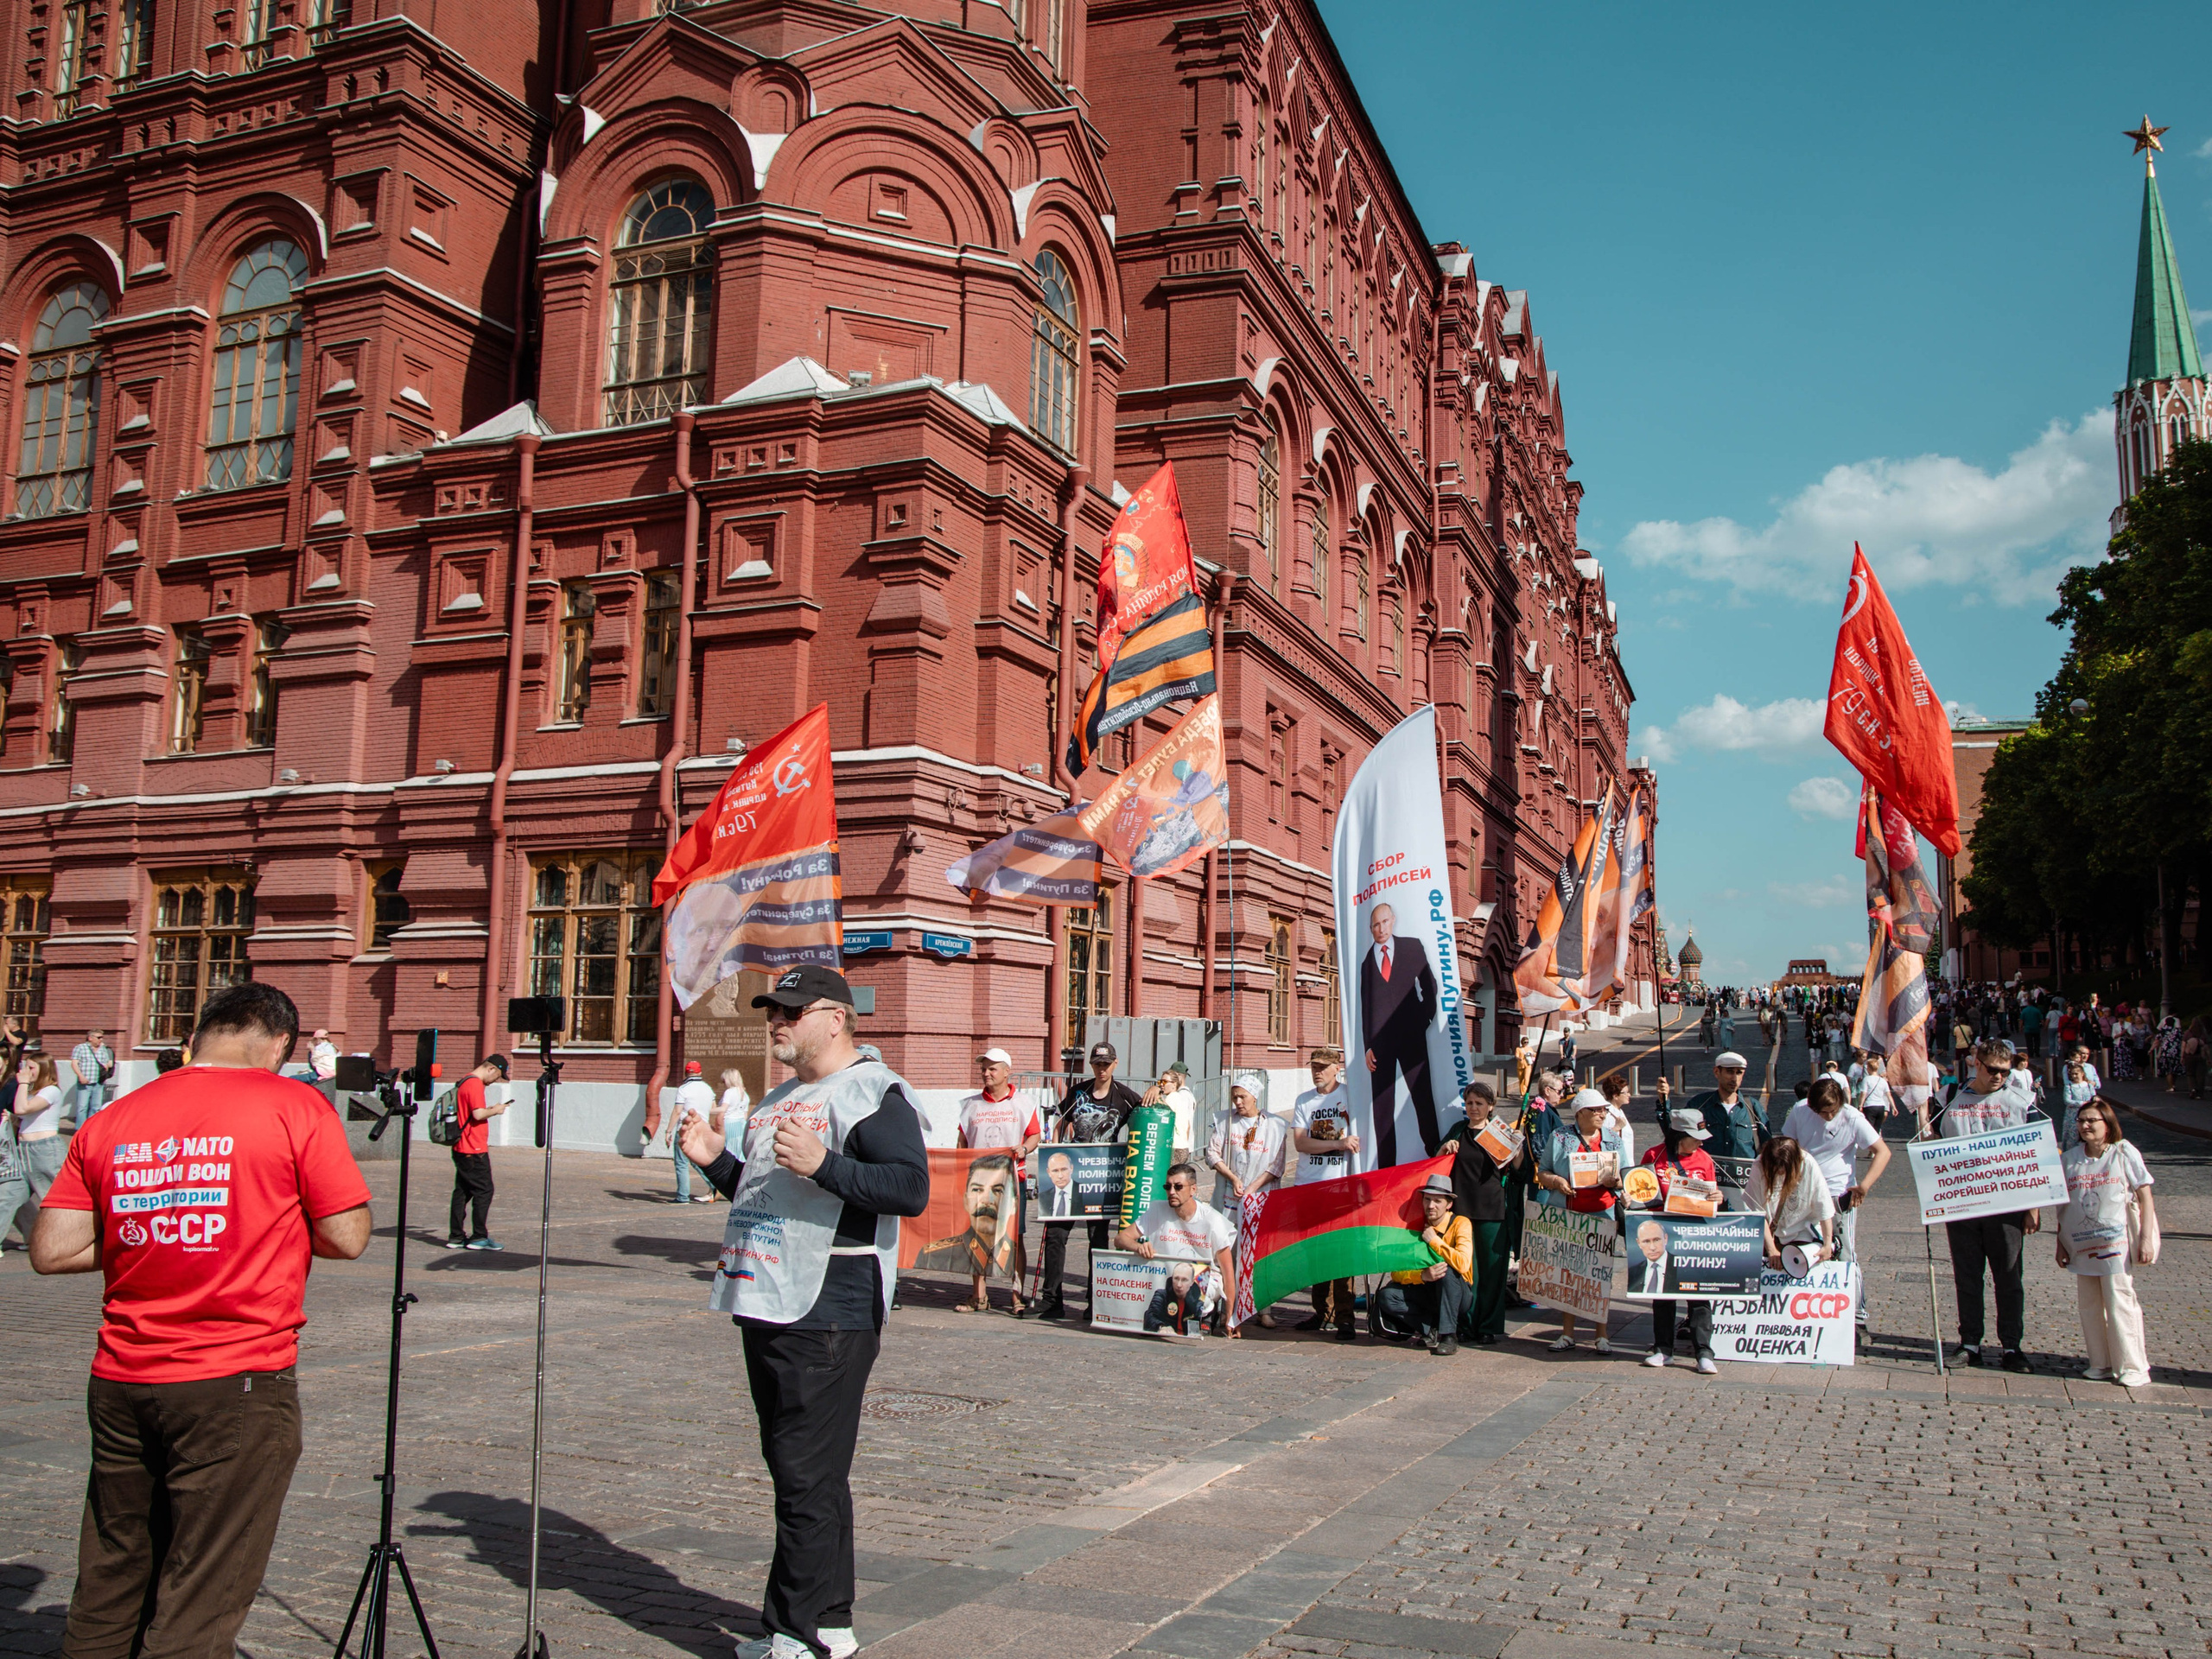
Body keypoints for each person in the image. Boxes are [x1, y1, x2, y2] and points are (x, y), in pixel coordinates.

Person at [30, 982, 372, 1659]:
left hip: (122, 1377)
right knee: (204, 1589)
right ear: (281, 1041)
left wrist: (152, 1226)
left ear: (200, 1033)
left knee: (113, 1569)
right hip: (234, 1377)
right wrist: (250, 1223)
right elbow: (347, 1233)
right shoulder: (291, 1103)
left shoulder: (113, 1117)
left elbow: (53, 1249)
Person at [680, 964, 928, 1659]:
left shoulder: (875, 1094)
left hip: (831, 1302)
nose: (777, 1022)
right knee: (807, 1470)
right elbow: (767, 1196)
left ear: (837, 1017)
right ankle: (832, 1620)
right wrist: (714, 1161)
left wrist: (825, 1163)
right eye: (772, 1011)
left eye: (791, 1010)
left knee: (803, 1473)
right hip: (764, 1295)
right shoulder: (779, 1098)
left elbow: (909, 1189)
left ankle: (793, 1632)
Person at [1930, 1041, 2038, 1372]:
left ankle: (2011, 1346)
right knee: (1967, 1275)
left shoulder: (2022, 1101)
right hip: (1963, 1203)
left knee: (2008, 1276)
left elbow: (2037, 1152)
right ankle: (1970, 1343)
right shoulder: (1948, 1099)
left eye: (2005, 1072)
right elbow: (1933, 1141)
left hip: (2007, 1204)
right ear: (1976, 1064)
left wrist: (2033, 1207)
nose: (1998, 1077)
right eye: (1992, 1070)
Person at [1033, 1043, 1141, 1323]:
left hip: (1101, 1182)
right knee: (1056, 1236)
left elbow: (1147, 1114)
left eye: (1106, 1064)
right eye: (1097, 1064)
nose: (1102, 1069)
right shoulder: (1078, 1092)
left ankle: (1095, 1301)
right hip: (1070, 1175)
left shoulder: (1125, 1097)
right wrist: (1053, 1148)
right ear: (1091, 1066)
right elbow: (1060, 1122)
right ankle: (1051, 1300)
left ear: (1115, 1064)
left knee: (1098, 1239)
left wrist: (1158, 1089)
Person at [2055, 1099, 2156, 1388]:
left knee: (2119, 1302)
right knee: (2089, 1305)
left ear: (2107, 1124)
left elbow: (2145, 1196)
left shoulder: (2123, 1153)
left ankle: (2134, 1366)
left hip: (2116, 1244)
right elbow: (2064, 1205)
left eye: (2092, 1121)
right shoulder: (2070, 1158)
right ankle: (2101, 1362)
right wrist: (2061, 1242)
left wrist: (2146, 1238)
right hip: (2080, 1244)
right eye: (2081, 1120)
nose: (2085, 1125)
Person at [1781, 1075, 1890, 1339]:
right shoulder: (1800, 1111)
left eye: (1831, 1111)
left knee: (1845, 1254)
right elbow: (1788, 1146)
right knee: (1803, 1251)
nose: (1827, 1117)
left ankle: (1857, 1318)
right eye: (1821, 1112)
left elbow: (1882, 1152)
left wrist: (1863, 1185)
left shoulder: (1852, 1117)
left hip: (1838, 1194)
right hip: (1804, 1193)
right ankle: (1807, 1309)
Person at [1532, 1087, 1623, 1353]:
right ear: (1581, 1113)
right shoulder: (1560, 1137)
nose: (1603, 1115)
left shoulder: (1613, 1139)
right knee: (1569, 1275)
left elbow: (1625, 1174)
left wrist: (1615, 1181)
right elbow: (1543, 1172)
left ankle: (1601, 1334)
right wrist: (1557, 1181)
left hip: (1602, 1213)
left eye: (1604, 1110)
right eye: (1597, 1110)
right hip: (1569, 1215)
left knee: (1600, 1274)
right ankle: (1568, 1333)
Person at [1635, 1109, 1723, 1371]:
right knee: (1663, 1292)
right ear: (1678, 1135)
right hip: (1663, 1235)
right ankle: (1663, 1349)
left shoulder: (1705, 1159)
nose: (1700, 1142)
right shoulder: (1654, 1155)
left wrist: (1716, 1199)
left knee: (1699, 1295)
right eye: (1694, 1137)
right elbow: (1642, 1192)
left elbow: (1713, 1196)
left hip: (1695, 1236)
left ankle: (1704, 1352)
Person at [954, 1046, 1040, 1315]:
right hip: (980, 1182)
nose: (986, 1073)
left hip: (1013, 1181)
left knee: (1015, 1238)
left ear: (1006, 1072)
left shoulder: (1023, 1104)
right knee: (978, 1237)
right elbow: (962, 1142)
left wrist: (1024, 1149)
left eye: (992, 1069)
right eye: (984, 1069)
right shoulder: (971, 1105)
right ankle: (979, 1296)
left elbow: (1034, 1136)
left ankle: (1016, 1295)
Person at [1357, 902, 1441, 1162]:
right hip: (1380, 1046)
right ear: (1370, 929)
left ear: (1393, 920)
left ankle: (1435, 1155)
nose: (1380, 929)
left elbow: (1430, 986)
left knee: (1423, 1098)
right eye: (1375, 925)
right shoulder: (1367, 963)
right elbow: (1366, 1009)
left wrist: (1423, 1020)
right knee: (1382, 1110)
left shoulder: (1412, 947)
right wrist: (1368, 1047)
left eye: (1384, 922)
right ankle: (1386, 1170)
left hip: (1411, 1039)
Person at [1117, 1162, 1236, 1338]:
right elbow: (1120, 1238)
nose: (1172, 1192)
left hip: (1205, 1278)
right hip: (1166, 1274)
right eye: (1168, 1186)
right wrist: (1138, 1246)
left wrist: (1230, 1319)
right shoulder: (1157, 1209)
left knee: (1195, 1294)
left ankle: (1207, 1315)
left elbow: (1228, 1273)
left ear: (1193, 1189)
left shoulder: (1213, 1221)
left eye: (1178, 1187)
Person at [1205, 1074, 1286, 1327]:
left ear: (1254, 1097)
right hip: (1229, 1197)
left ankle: (1263, 1308)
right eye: (1235, 1097)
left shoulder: (1275, 1125)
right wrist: (1231, 1176)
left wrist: (1252, 1187)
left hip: (1259, 1196)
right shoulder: (1224, 1121)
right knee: (1225, 1250)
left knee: (1258, 1252)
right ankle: (1220, 1306)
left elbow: (1277, 1164)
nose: (1238, 1102)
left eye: (1243, 1097)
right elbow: (1212, 1154)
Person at [1289, 1046, 1359, 1339]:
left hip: (1339, 1185)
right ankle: (1322, 1312)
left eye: (1322, 1067)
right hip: (1308, 1183)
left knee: (1341, 1252)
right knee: (1314, 1253)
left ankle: (1345, 1317)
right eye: (1313, 1066)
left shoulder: (1350, 1096)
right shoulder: (1304, 1100)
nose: (1317, 1071)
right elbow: (1301, 1144)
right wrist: (1338, 1144)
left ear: (1336, 1069)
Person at [1440, 1082, 1511, 1344]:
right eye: (1470, 1103)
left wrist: (1518, 1150)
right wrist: (1445, 1149)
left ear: (1490, 1106)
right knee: (1468, 1271)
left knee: (1493, 1272)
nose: (1474, 1108)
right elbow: (1437, 1163)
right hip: (1462, 1209)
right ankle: (1466, 1323)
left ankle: (1488, 1326)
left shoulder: (1498, 1132)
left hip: (1492, 1209)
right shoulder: (1458, 1131)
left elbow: (1515, 1168)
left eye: (1479, 1103)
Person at [1371, 1176, 1472, 1354]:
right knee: (1387, 1296)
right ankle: (1429, 1328)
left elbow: (1463, 1264)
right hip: (1426, 1290)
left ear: (1448, 1204)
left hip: (1457, 1293)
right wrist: (1423, 1276)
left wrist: (1435, 1241)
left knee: (1446, 1270)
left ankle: (1449, 1335)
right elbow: (1396, 1273)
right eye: (1427, 1199)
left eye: (1437, 1201)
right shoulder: (1415, 1226)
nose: (1431, 1206)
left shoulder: (1460, 1223)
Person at [442, 1053, 510, 1249]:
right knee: (484, 1190)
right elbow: (478, 1114)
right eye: (497, 1076)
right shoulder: (475, 1084)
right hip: (473, 1148)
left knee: (462, 1192)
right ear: (491, 1069)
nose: (495, 1080)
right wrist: (495, 1110)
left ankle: (456, 1236)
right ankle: (479, 1237)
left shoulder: (464, 1081)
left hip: (461, 1146)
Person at [1685, 1051, 1764, 1209]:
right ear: (1717, 1072)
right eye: (1729, 1072)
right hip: (1706, 1191)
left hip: (1744, 1195)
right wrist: (1664, 1102)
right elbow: (1678, 1139)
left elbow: (1767, 1147)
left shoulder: (1752, 1107)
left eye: (1739, 1073)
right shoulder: (1699, 1104)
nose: (1734, 1078)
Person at [1755, 1135, 1835, 1274]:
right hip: (1775, 1232)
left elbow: (1824, 1208)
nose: (1780, 1172)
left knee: (1800, 1269)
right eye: (1776, 1168)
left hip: (1805, 1230)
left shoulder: (1808, 1163)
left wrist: (1827, 1245)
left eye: (1784, 1169)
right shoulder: (1759, 1165)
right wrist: (1771, 1249)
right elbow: (1758, 1213)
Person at [671, 1060, 719, 1204]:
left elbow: (677, 1111)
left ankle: (682, 1196)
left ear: (686, 1073)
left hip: (685, 1128)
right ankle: (715, 1185)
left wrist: (668, 1131)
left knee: (681, 1163)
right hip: (701, 1128)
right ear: (700, 1072)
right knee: (698, 1161)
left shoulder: (683, 1089)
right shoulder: (708, 1089)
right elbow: (713, 1108)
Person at [2059, 1044, 2102, 1147]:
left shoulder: (2090, 1070)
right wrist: (2082, 1103)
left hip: (2088, 1111)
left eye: (2087, 1054)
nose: (2085, 1056)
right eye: (2082, 1054)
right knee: (2073, 1136)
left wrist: (2095, 1098)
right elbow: (2067, 1099)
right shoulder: (2069, 1082)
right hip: (2074, 1113)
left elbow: (2097, 1087)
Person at [70, 1029, 115, 1120]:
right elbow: (74, 1063)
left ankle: (90, 1128)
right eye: (99, 1037)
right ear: (90, 1038)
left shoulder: (103, 1049)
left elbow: (107, 1063)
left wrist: (105, 1069)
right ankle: (80, 1129)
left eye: (102, 1037)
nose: (101, 1040)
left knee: (96, 1107)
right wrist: (80, 1076)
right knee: (82, 1107)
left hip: (99, 1082)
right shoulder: (80, 1048)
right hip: (85, 1081)